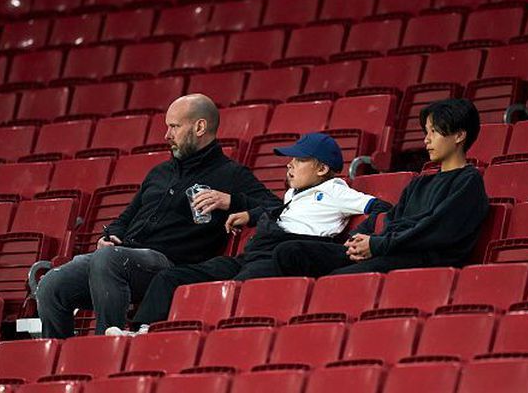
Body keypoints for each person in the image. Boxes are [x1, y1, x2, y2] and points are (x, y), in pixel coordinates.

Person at [36, 94, 280, 338]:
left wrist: (231, 201)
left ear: (199, 127)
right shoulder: (159, 172)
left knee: (108, 260)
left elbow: (277, 208)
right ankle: (60, 364)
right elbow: (128, 216)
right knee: (51, 285)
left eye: (174, 126)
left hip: (171, 265)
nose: (166, 135)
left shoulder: (231, 174)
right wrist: (112, 235)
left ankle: (108, 346)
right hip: (124, 257)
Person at [106, 133, 392, 335]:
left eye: (298, 160)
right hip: (256, 252)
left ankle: (214, 335)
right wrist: (250, 215)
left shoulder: (336, 191)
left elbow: (381, 207)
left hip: (290, 251)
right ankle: (142, 332)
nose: (289, 164)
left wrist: (367, 233)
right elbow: (281, 212)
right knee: (174, 275)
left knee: (238, 284)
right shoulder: (294, 193)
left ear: (322, 168)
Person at [274, 98, 490, 277]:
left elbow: (434, 231)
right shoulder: (420, 182)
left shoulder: (468, 181)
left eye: (434, 132)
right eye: (427, 132)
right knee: (290, 252)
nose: (426, 140)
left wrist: (376, 245)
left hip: (423, 260)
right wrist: (359, 241)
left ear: (459, 135)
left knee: (337, 279)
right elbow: (391, 219)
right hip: (390, 248)